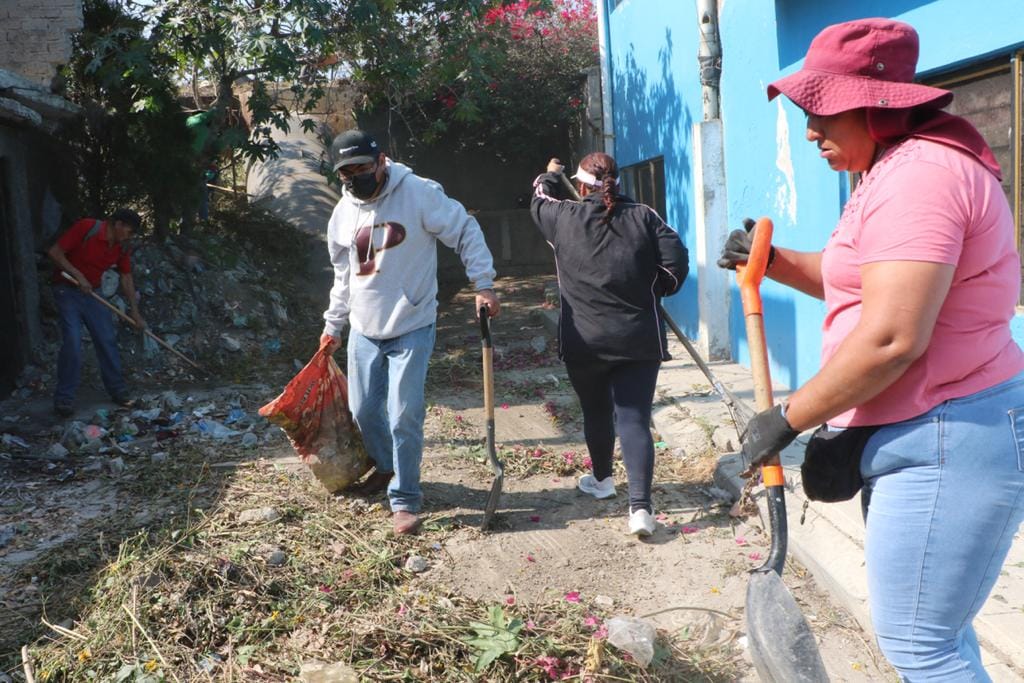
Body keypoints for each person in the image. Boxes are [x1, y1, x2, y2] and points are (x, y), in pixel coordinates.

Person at [718, 18, 1024, 680]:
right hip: (923, 425)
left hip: (949, 429)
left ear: (876, 105)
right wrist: (768, 261)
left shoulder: (922, 178)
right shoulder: (890, 171)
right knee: (935, 633)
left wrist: (790, 417)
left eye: (821, 112)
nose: (809, 132)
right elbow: (851, 273)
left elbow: (891, 337)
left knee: (922, 642)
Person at [319, 129, 500, 536]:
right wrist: (334, 325)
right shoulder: (343, 213)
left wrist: (483, 284)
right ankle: (386, 467)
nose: (355, 177)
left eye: (362, 167)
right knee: (363, 410)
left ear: (381, 160)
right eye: (346, 172)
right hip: (365, 328)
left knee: (404, 414)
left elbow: (465, 231)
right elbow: (343, 275)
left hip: (412, 323)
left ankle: (405, 499)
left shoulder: (419, 193)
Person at [530, 153, 688, 537]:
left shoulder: (561, 218)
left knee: (596, 411)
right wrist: (652, 289)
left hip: (583, 340)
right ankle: (640, 510)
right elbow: (675, 265)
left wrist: (550, 174)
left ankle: (602, 480)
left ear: (581, 186)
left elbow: (537, 199)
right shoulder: (645, 217)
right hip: (637, 337)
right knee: (633, 418)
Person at [47, 208, 146, 417]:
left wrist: (135, 312)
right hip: (67, 290)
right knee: (73, 340)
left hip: (93, 293)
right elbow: (55, 252)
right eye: (129, 231)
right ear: (118, 224)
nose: (130, 237)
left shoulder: (121, 247)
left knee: (106, 338)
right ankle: (64, 398)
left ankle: (118, 391)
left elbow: (126, 277)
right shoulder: (87, 228)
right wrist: (78, 275)